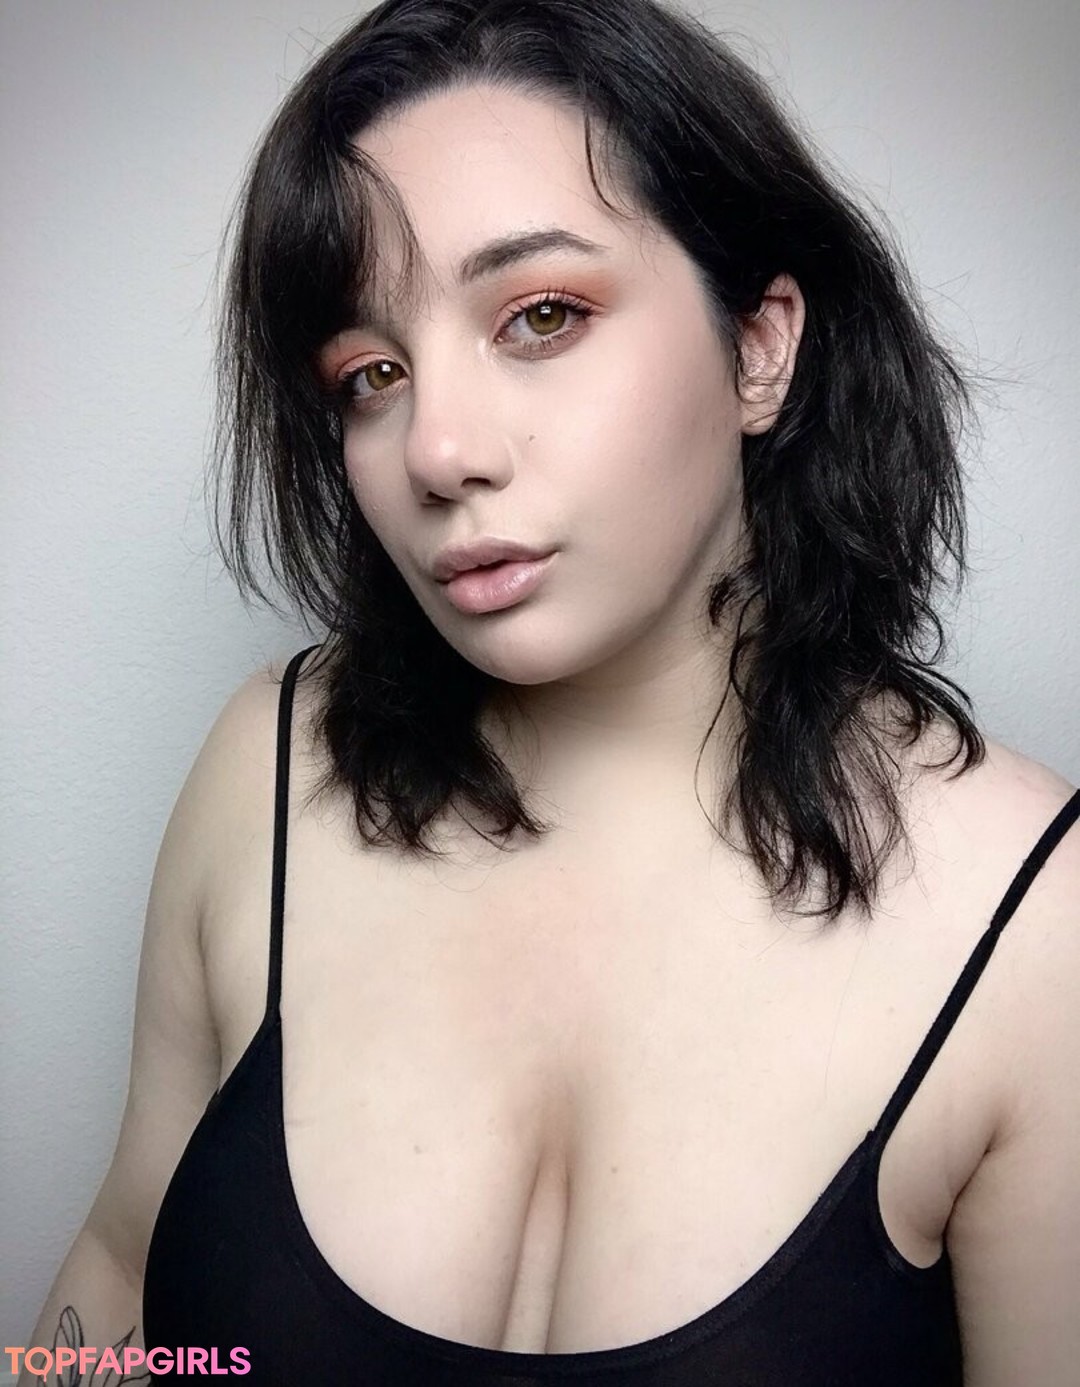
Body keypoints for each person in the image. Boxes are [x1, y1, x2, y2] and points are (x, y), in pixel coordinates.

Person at [17, 0, 1079, 1382]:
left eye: (541, 316)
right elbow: (117, 1269)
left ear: (760, 346)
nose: (437, 449)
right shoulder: (269, 767)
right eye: (372, 374)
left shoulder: (1037, 924)